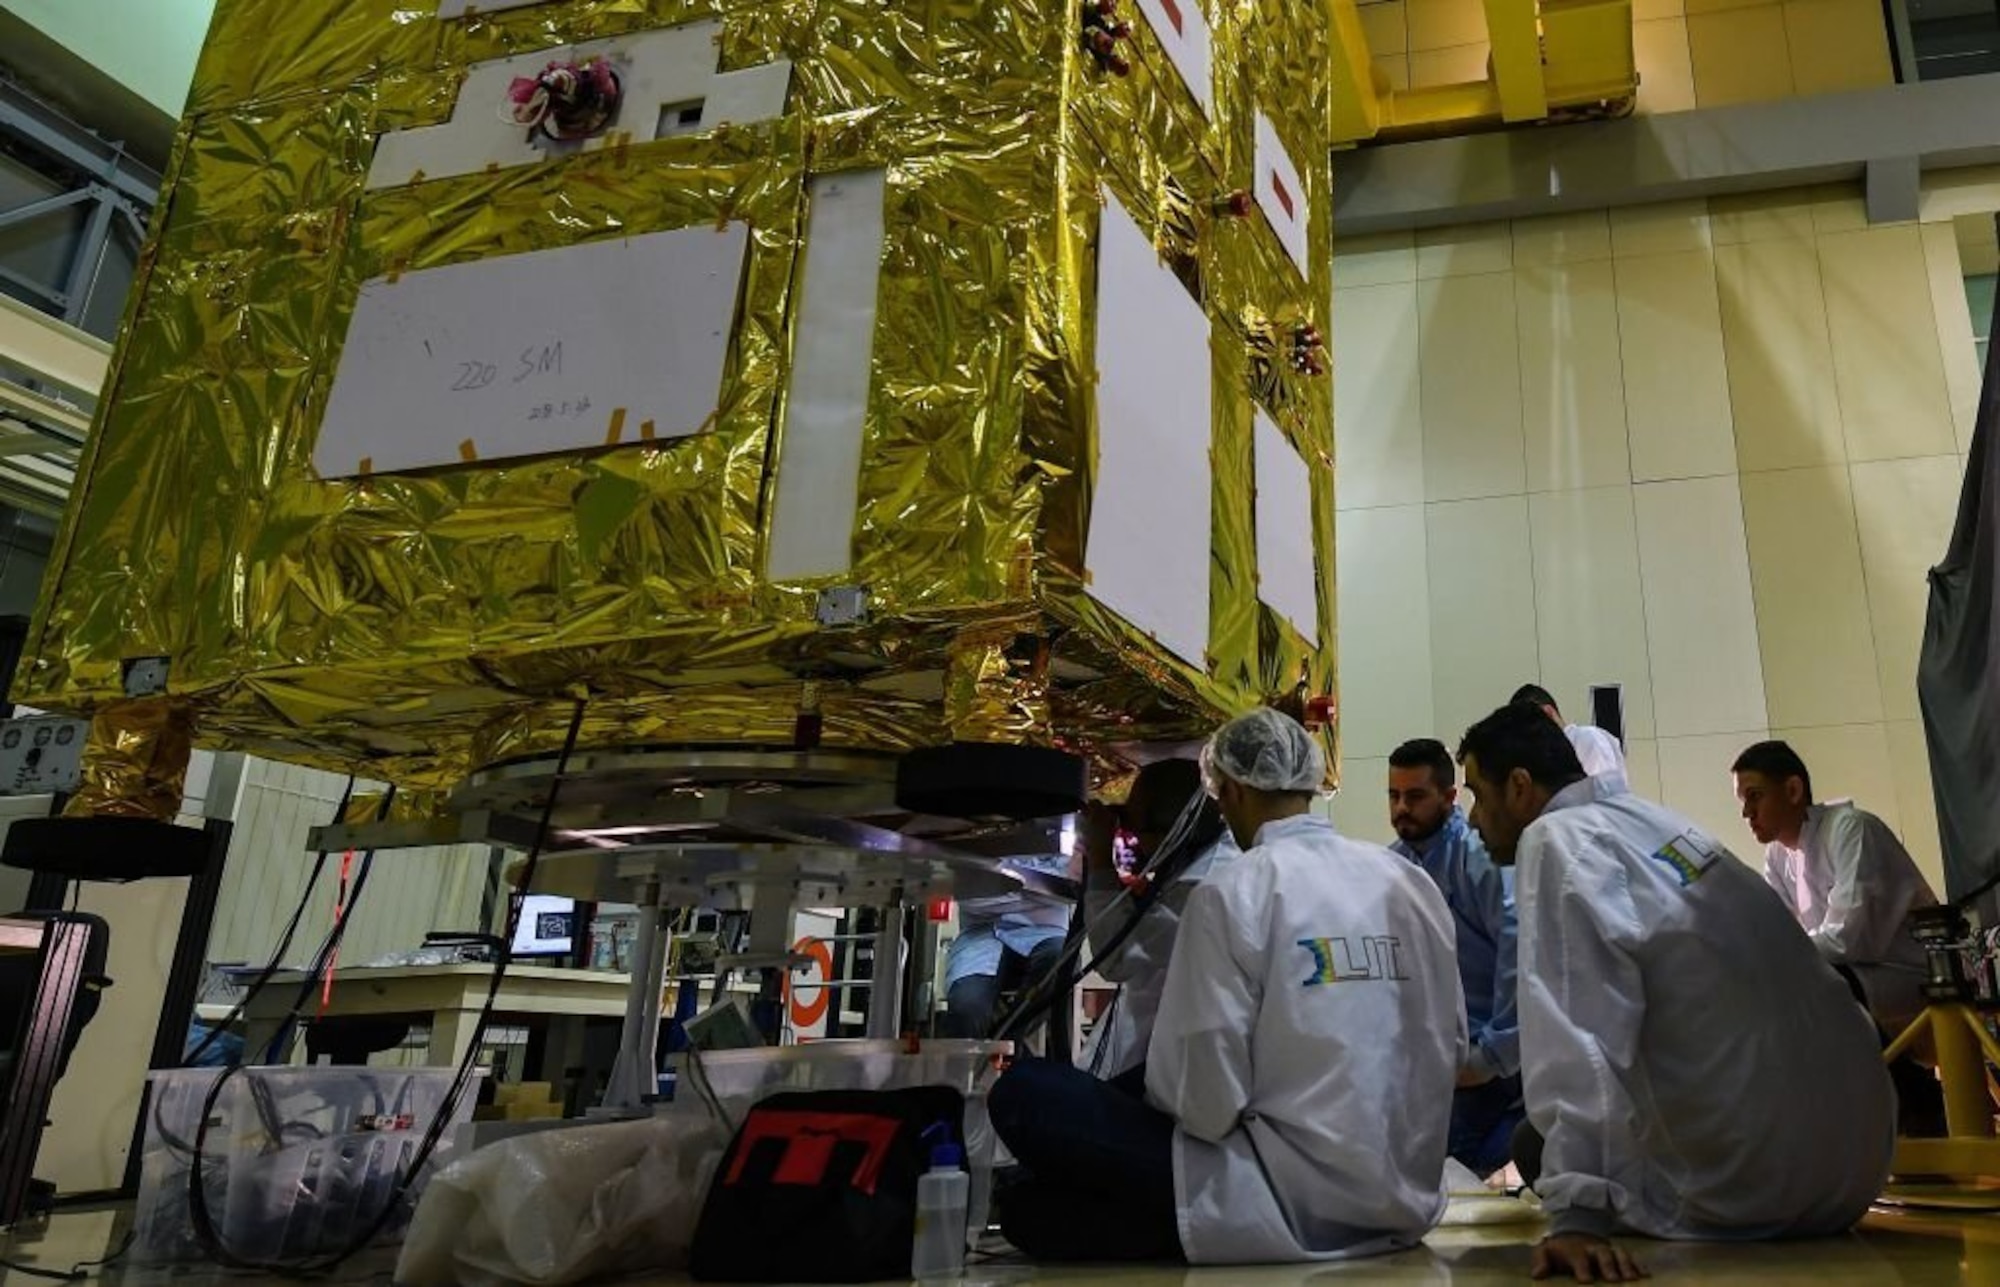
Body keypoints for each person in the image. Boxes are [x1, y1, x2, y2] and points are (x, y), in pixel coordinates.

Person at [988, 708, 1464, 1264]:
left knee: (1024, 1102)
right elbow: (1452, 1044)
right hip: (1403, 1194)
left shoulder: (1235, 889)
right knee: (1056, 1181)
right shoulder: (1407, 881)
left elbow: (1204, 1106)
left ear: (1230, 791)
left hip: (1277, 1195)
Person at [1458, 703, 1894, 1284]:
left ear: (1518, 788)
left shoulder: (1557, 838)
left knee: (1536, 1145)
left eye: (1476, 795)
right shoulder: (1651, 823)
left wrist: (1579, 1215)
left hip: (1754, 1186)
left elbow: (1579, 1032)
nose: (1472, 819)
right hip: (1857, 1169)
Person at [1731, 739, 1939, 1034]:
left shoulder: (1851, 829)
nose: (1746, 813)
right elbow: (1774, 930)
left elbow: (1846, 941)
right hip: (1848, 973)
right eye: (1742, 801)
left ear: (1793, 790)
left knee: (1802, 990)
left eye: (1755, 796)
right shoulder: (1777, 856)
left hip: (1906, 973)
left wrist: (1771, 954)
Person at [1386, 737, 1522, 1178]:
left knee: (1448, 1173)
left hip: (1494, 1063)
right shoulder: (1392, 865)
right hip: (1434, 1061)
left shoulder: (1478, 858)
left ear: (1450, 797)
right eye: (1393, 795)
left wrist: (1492, 1056)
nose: (1401, 807)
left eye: (1415, 796)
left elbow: (1517, 953)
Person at [1076, 757, 1239, 1086]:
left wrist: (1099, 861)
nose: (1132, 839)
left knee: (1025, 1090)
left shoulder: (1199, 889)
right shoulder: (1210, 866)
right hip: (1170, 1058)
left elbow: (1117, 960)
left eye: (1136, 827)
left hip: (1168, 1074)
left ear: (1175, 829)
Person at [939, 852, 1073, 1053]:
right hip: (981, 933)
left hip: (1045, 931)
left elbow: (1067, 887)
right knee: (967, 1004)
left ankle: (1007, 1048)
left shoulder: (1058, 830)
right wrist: (1037, 887)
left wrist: (1000, 886)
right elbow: (969, 897)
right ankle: (964, 1078)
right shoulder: (980, 833)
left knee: (1060, 960)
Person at [1511, 683, 1625, 779]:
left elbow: (1600, 795)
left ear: (1548, 713)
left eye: (1530, 730)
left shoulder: (1586, 738)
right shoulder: (1549, 755)